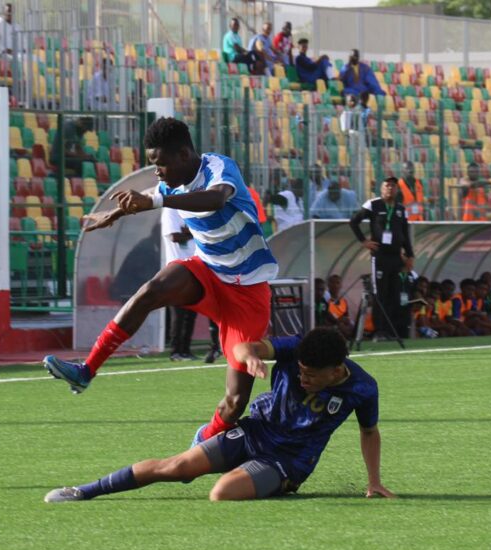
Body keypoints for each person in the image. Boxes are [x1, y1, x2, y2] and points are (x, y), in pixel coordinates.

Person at [44, 117, 279, 447]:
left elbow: (214, 199)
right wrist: (113, 214)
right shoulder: (172, 182)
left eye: (161, 163)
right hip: (208, 271)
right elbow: (153, 194)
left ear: (184, 155)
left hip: (248, 290)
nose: (157, 171)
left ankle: (204, 441)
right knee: (151, 291)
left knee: (235, 402)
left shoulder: (218, 168)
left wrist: (155, 202)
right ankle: (86, 371)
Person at [44, 328, 394, 502]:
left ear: (337, 370)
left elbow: (369, 432)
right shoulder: (296, 346)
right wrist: (251, 357)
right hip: (256, 431)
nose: (303, 379)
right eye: (299, 371)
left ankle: (253, 473)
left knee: (221, 492)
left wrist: (374, 480)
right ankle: (83, 491)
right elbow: (243, 347)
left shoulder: (363, 388)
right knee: (177, 467)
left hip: (288, 461)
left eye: (311, 376)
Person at [349, 177, 414, 339]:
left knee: (395, 294)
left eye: (393, 186)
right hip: (380, 256)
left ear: (397, 189)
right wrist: (364, 241)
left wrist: (410, 255)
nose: (390, 188)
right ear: (381, 188)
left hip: (396, 257)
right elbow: (354, 221)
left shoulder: (401, 208)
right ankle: (379, 331)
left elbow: (405, 234)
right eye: (387, 185)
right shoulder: (373, 204)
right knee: (380, 294)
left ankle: (392, 330)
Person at [161, 208, 198, 361]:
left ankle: (186, 350)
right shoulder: (170, 210)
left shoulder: (191, 209)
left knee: (192, 312)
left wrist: (188, 232)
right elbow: (174, 236)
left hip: (195, 267)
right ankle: (175, 351)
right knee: (178, 313)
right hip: (177, 269)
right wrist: (194, 232)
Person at [324, 274, 356, 339]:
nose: (335, 285)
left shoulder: (344, 301)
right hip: (332, 324)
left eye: (337, 283)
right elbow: (325, 315)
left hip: (342, 324)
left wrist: (346, 320)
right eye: (332, 282)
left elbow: (346, 316)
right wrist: (338, 321)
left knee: (353, 325)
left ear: (341, 286)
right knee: (340, 327)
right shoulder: (325, 299)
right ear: (328, 285)